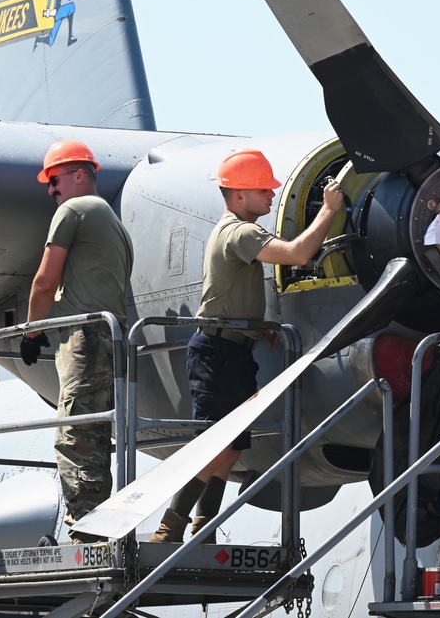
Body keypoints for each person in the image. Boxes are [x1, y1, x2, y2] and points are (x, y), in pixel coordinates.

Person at [150, 147, 344, 543]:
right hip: (218, 353)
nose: (272, 196)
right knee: (212, 446)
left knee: (232, 448)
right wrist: (328, 210)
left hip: (233, 349)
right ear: (239, 195)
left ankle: (203, 527)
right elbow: (297, 254)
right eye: (264, 191)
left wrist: (258, 327)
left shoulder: (234, 231)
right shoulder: (239, 231)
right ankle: (168, 530)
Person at [19, 139, 134, 544]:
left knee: (75, 435)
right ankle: (101, 528)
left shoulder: (73, 210)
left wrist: (32, 331)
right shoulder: (115, 226)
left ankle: (87, 532)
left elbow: (45, 281)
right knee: (97, 436)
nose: (50, 189)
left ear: (80, 174)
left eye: (55, 179)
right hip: (112, 339)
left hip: (85, 340)